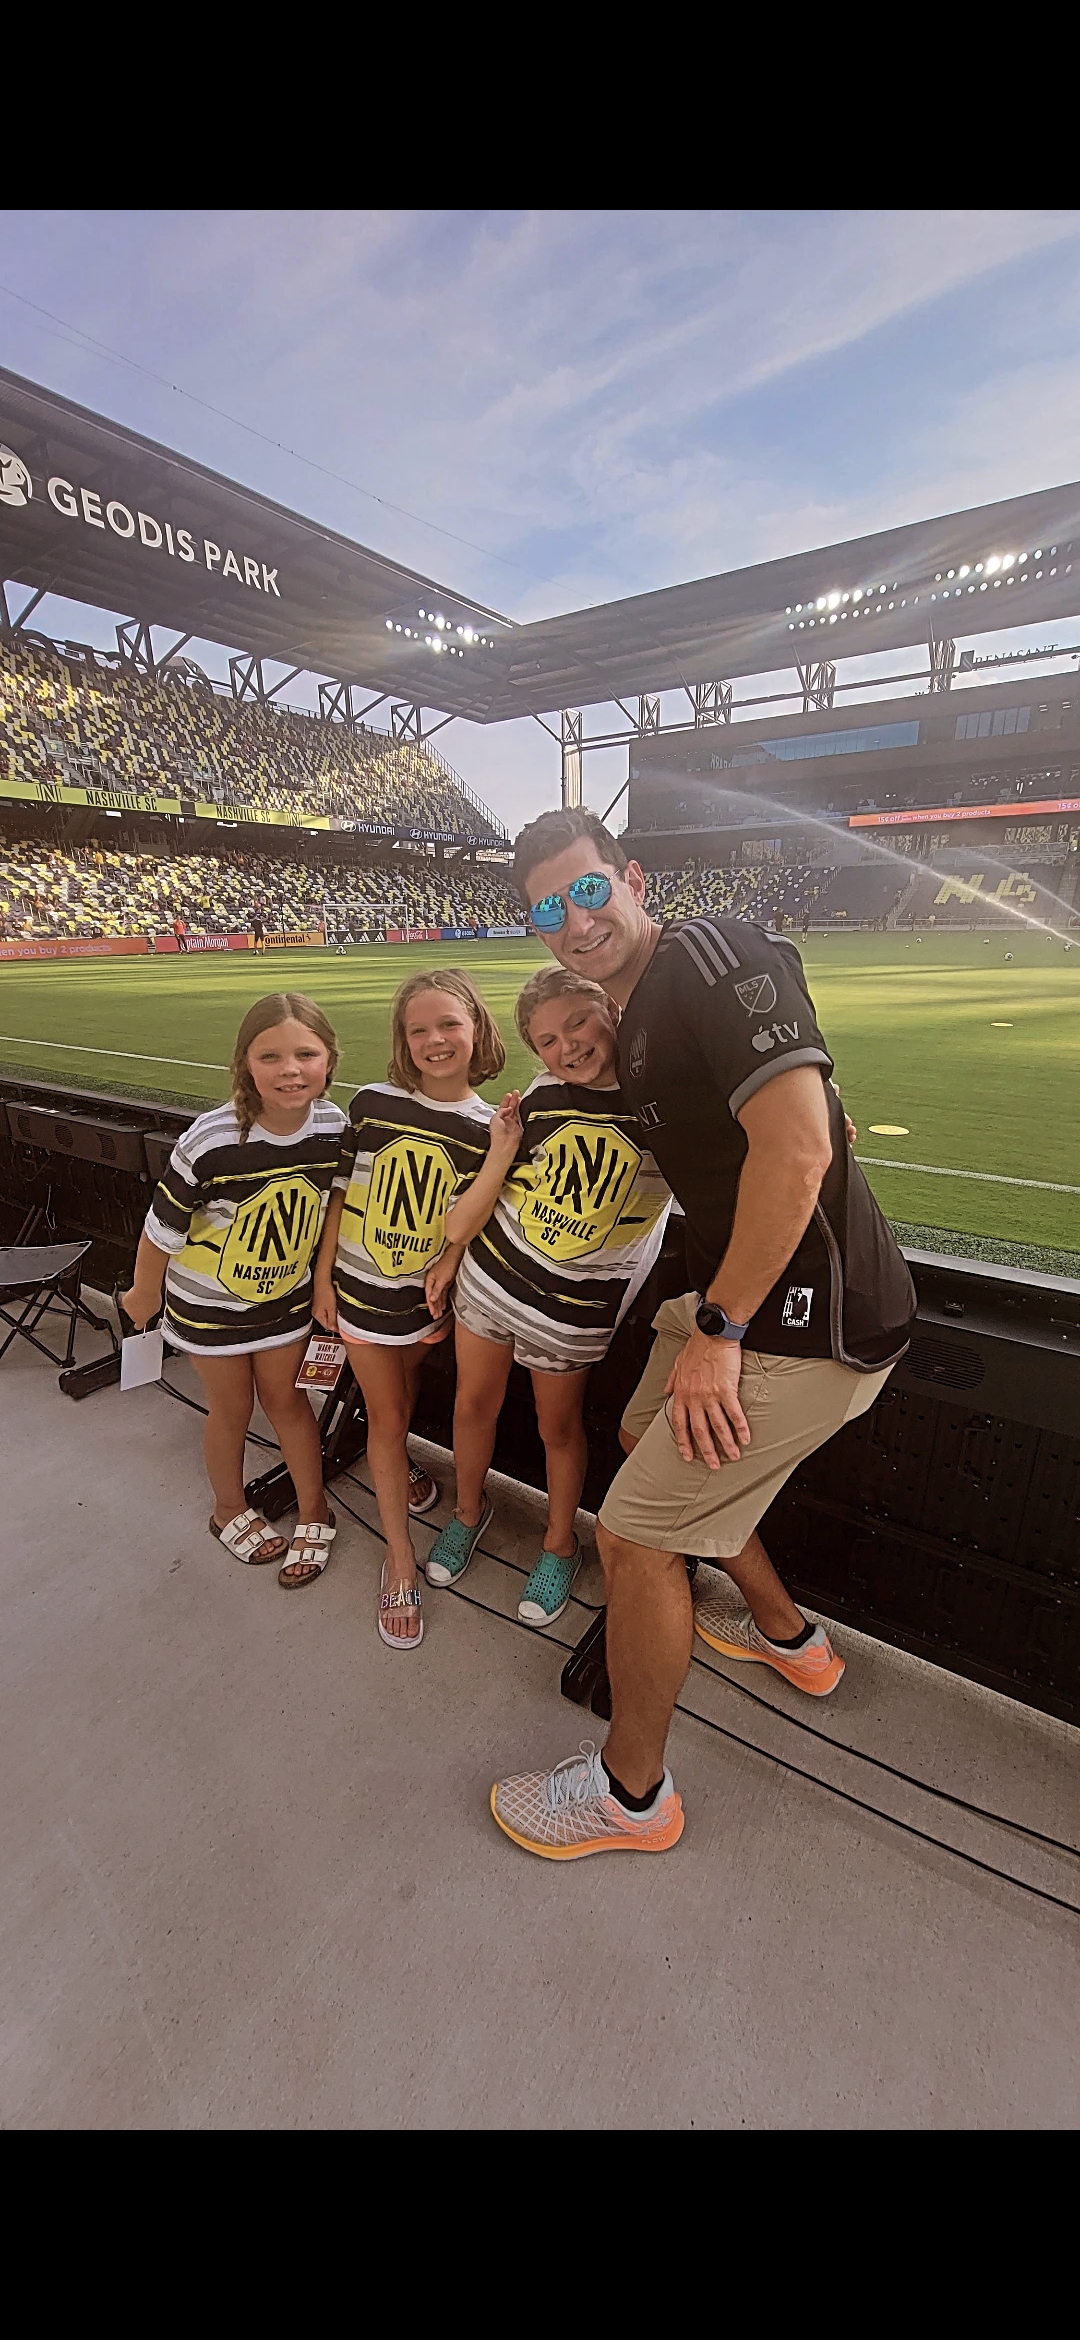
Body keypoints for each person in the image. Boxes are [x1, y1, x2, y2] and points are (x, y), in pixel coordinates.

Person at [491, 808, 917, 1860]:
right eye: (549, 908)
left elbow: (797, 1152)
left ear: (631, 879)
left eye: (588, 890)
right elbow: (774, 1126)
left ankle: (633, 1799)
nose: (575, 919)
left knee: (632, 1540)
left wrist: (720, 1327)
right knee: (644, 1440)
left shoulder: (710, 954)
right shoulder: (634, 1019)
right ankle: (790, 1639)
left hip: (807, 1328)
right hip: (749, 1304)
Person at [423, 967, 671, 1625]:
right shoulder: (541, 1093)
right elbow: (496, 1180)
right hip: (492, 1279)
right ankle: (467, 1513)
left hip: (572, 1311)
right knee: (472, 1405)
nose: (568, 1047)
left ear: (608, 1009)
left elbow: (743, 1141)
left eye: (577, 1023)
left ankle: (559, 1545)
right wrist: (451, 1257)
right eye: (548, 1040)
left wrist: (820, 1107)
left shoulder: (663, 1097)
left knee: (557, 1429)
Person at [121, 994, 347, 1589]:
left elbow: (332, 1211)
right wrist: (145, 1293)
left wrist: (320, 1282)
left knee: (290, 1405)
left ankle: (315, 1510)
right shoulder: (211, 1138)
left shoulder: (335, 1129)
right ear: (246, 1063)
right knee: (232, 1410)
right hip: (209, 1311)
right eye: (270, 1055)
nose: (290, 1069)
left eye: (306, 1053)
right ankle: (228, 1508)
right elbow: (160, 1230)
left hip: (284, 1309)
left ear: (329, 1060)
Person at [313, 968, 506, 1650]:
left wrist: (449, 1264)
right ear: (402, 1039)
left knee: (406, 1391)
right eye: (417, 1029)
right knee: (389, 1417)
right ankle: (398, 1555)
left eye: (448, 1024)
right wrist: (322, 1279)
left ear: (477, 1028)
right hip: (363, 1296)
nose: (434, 1040)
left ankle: (399, 1465)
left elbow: (475, 1219)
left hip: (426, 1305)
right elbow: (339, 1194)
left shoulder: (489, 1128)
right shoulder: (370, 1104)